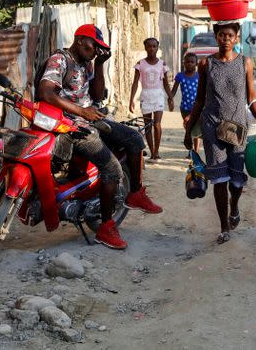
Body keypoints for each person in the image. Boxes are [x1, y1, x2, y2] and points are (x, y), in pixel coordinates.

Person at [36, 24, 162, 250]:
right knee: (111, 168)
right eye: (95, 45)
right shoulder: (60, 60)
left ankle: (135, 193)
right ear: (80, 40)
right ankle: (106, 227)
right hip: (70, 125)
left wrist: (101, 64)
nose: (96, 50)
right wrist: (82, 112)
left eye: (99, 48)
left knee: (134, 138)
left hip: (90, 118)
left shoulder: (87, 64)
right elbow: (46, 91)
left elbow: (96, 94)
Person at [184, 22, 256, 244]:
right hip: (212, 127)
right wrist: (189, 129)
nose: (226, 39)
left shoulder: (245, 63)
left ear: (236, 37)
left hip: (237, 127)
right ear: (216, 36)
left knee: (236, 181)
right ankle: (223, 227)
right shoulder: (206, 64)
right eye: (222, 35)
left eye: (230, 35)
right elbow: (200, 99)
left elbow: (251, 96)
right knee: (219, 180)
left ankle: (235, 206)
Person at [129, 38, 173, 161]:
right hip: (146, 96)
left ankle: (156, 152)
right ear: (145, 48)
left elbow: (165, 83)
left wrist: (170, 98)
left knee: (157, 124)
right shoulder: (140, 64)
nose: (151, 49)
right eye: (149, 46)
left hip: (158, 96)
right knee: (148, 126)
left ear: (157, 47)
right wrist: (131, 99)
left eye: (154, 46)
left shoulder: (162, 64)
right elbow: (135, 83)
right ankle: (152, 151)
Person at [173, 52, 201, 154]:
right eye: (187, 62)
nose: (189, 64)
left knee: (196, 129)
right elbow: (174, 90)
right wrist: (170, 99)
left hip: (197, 107)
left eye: (192, 62)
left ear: (196, 64)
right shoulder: (180, 76)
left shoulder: (199, 76)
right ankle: (191, 150)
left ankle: (196, 152)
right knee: (188, 128)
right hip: (184, 108)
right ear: (183, 63)